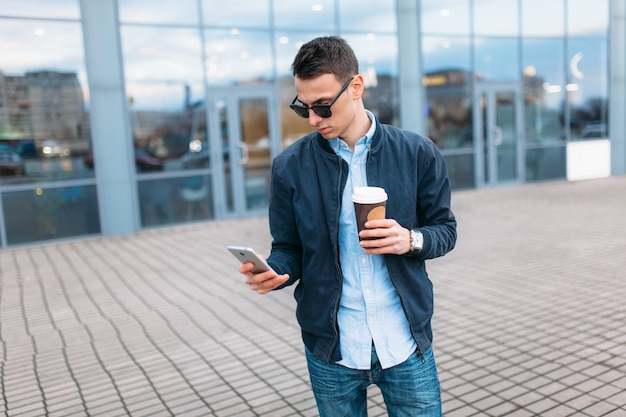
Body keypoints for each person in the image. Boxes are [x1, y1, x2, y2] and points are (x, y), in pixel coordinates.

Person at [239, 36, 457, 417]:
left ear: (356, 87)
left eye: (323, 105)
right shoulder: (290, 167)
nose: (313, 119)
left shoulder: (417, 152)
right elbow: (289, 247)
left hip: (404, 341)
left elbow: (445, 230)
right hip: (332, 349)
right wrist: (276, 272)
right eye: (302, 107)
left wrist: (409, 239)